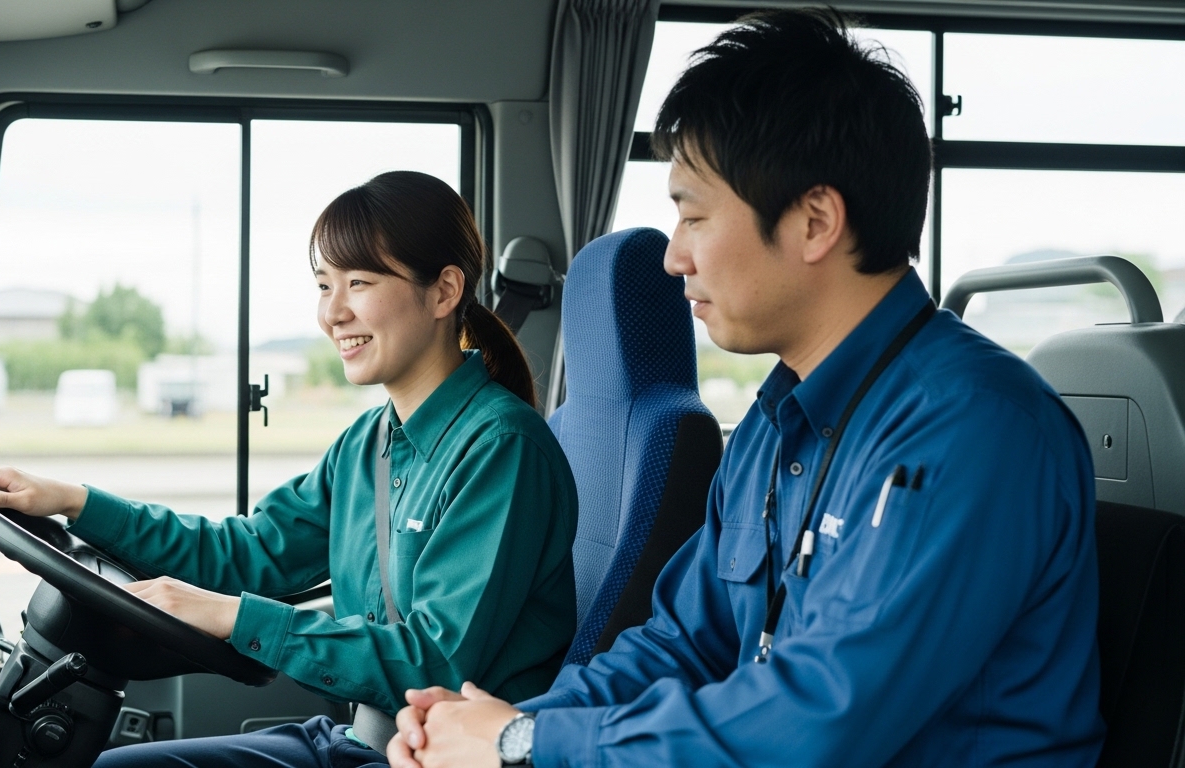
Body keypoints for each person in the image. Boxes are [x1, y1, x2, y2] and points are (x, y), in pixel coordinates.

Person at [387, 10, 1105, 768]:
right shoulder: (774, 421)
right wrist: (492, 730)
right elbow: (681, 643)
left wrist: (524, 744)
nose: (675, 257)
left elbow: (820, 720)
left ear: (815, 222)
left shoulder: (970, 428)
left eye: (693, 217)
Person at [0, 170, 579, 768]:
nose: (332, 313)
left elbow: (433, 663)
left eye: (358, 282)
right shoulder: (367, 442)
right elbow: (249, 550)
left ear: (444, 291)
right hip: (357, 741)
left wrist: (229, 615)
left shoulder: (503, 448)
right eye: (323, 286)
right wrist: (74, 501)